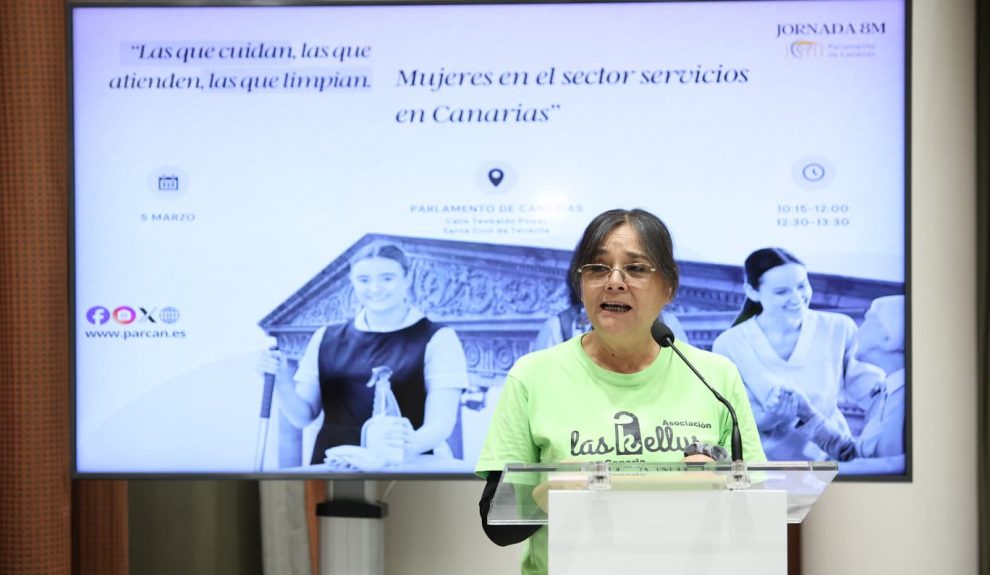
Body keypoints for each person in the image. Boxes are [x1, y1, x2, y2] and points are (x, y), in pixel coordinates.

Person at [475, 209, 765, 575]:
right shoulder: (533, 376)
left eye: (636, 268)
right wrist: (544, 499)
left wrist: (722, 488)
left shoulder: (716, 377)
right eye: (597, 268)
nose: (614, 281)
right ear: (581, 285)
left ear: (669, 288)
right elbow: (495, 525)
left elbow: (756, 514)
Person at [262, 243, 469, 465]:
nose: (375, 288)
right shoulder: (325, 337)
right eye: (364, 280)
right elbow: (303, 417)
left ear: (407, 279)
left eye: (387, 278)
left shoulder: (438, 338)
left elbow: (440, 424)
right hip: (333, 466)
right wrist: (282, 379)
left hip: (408, 466)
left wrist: (401, 449)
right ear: (352, 282)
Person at [711, 248, 880, 462]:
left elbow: (872, 393)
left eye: (802, 286)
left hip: (831, 459)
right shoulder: (730, 344)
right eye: (781, 292)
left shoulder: (838, 328)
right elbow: (733, 421)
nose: (797, 298)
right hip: (765, 466)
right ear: (752, 292)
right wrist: (772, 417)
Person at [841, 295, 906, 474]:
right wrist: (808, 416)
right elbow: (857, 455)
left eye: (868, 319)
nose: (858, 328)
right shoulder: (886, 394)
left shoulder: (920, 400)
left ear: (888, 338)